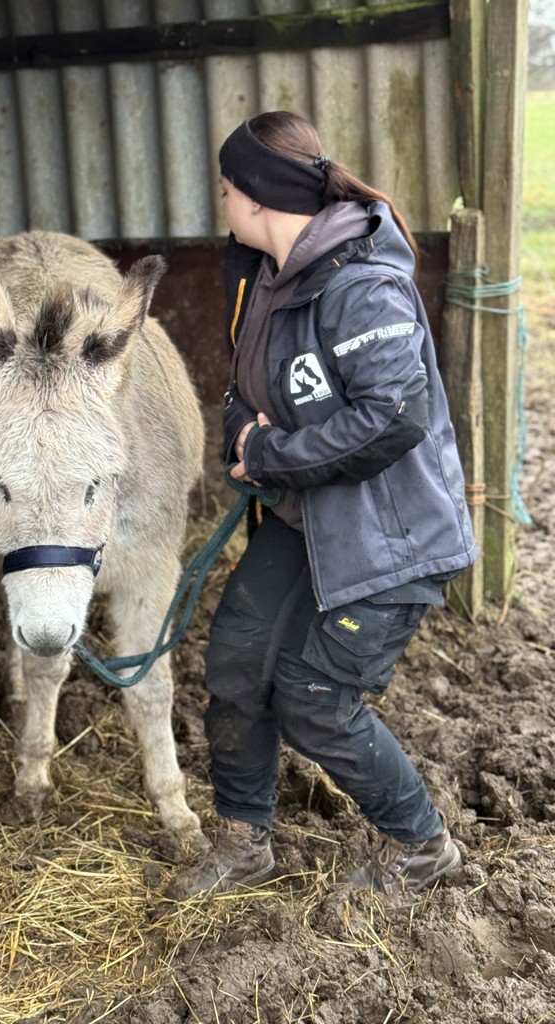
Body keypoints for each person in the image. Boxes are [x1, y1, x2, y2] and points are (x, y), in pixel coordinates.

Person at [165, 112, 477, 900]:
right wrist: (244, 434)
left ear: (258, 196)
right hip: (307, 520)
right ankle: (243, 843)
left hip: (388, 536)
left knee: (315, 699)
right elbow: (244, 391)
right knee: (236, 662)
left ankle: (422, 846)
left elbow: (394, 417)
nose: (222, 203)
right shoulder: (265, 278)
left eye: (227, 189)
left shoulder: (361, 286)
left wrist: (269, 454)